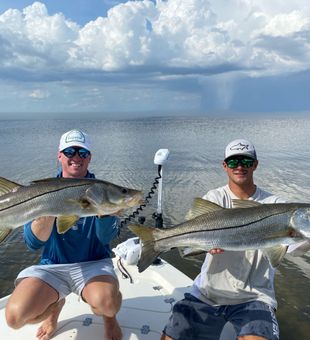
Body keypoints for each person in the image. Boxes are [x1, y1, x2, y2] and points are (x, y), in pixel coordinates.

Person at [161, 138, 310, 340]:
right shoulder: (213, 198)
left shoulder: (275, 203)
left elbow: (294, 249)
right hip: (207, 294)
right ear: (225, 166)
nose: (240, 167)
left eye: (246, 162)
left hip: (255, 297)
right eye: (233, 162)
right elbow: (189, 247)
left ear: (255, 165)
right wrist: (202, 246)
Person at [5, 129, 122, 340]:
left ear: (89, 158)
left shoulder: (101, 190)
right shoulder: (42, 189)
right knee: (15, 317)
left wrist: (106, 213)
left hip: (93, 264)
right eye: (70, 151)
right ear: (60, 156)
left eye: (83, 153)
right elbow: (32, 243)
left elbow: (106, 239)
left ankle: (110, 318)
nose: (76, 157)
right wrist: (50, 208)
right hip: (53, 266)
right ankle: (54, 306)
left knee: (107, 304)